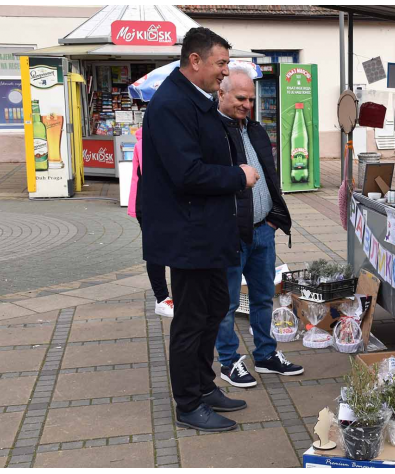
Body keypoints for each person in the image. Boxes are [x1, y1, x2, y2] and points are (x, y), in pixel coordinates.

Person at [140, 27, 261, 432]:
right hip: (187, 235)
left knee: (212, 310)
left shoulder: (198, 100)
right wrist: (236, 177)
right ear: (195, 61)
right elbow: (187, 173)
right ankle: (188, 404)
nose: (224, 73)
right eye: (221, 63)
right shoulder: (172, 104)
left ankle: (205, 386)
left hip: (208, 232)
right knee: (191, 319)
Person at [215, 65, 303, 387]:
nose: (247, 105)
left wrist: (272, 218)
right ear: (221, 93)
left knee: (264, 296)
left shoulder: (254, 129)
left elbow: (268, 174)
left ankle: (266, 355)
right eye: (241, 97)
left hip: (263, 229)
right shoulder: (212, 131)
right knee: (225, 303)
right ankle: (229, 361)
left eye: (251, 99)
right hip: (230, 233)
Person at [128, 127, 174, 318]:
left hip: (162, 203)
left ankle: (168, 297)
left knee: (168, 248)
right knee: (156, 250)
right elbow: (158, 176)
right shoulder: (146, 143)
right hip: (148, 205)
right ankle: (162, 299)